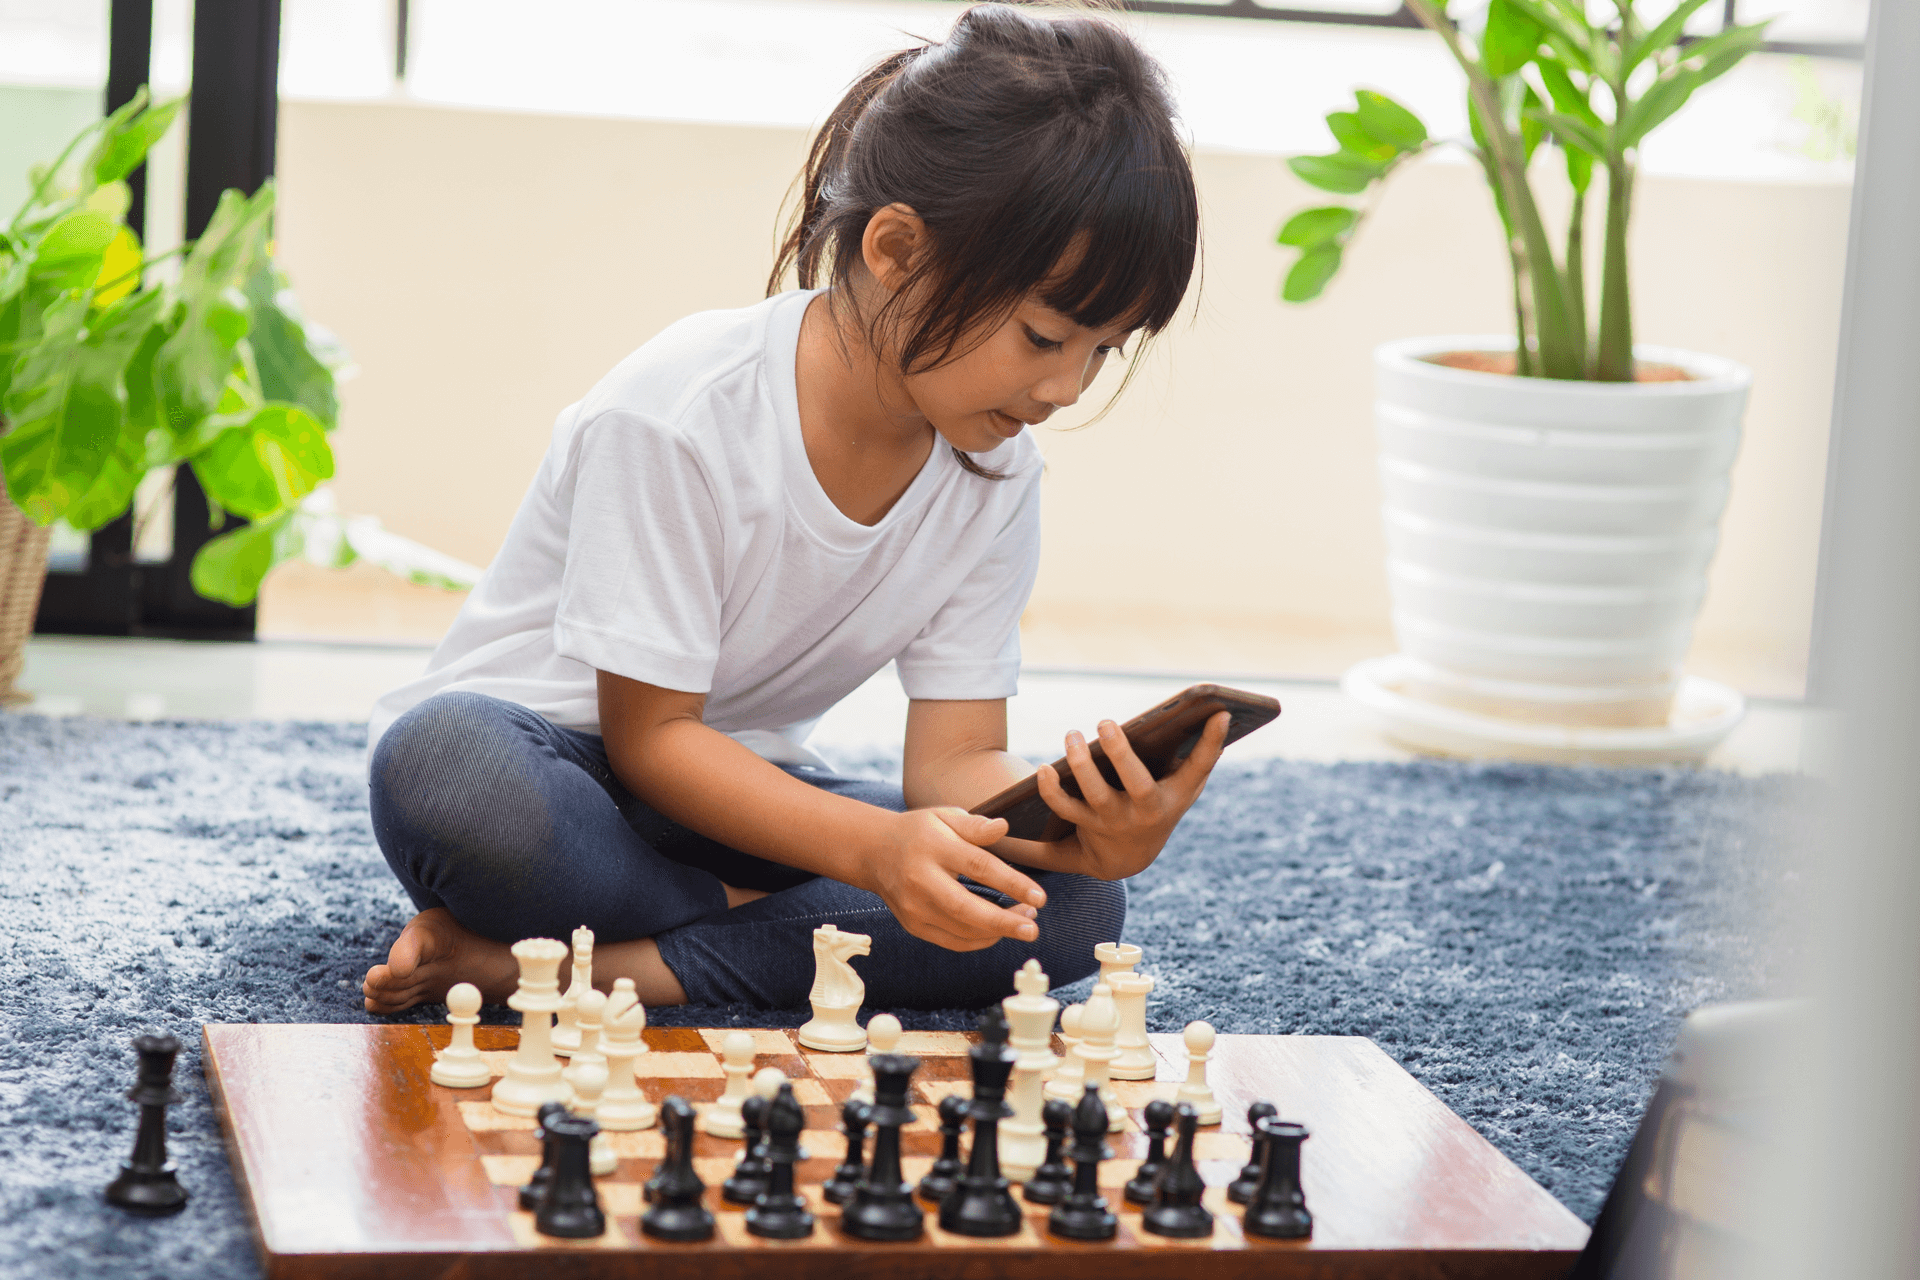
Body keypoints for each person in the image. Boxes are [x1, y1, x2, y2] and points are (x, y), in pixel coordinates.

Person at [359, 3, 1222, 1015]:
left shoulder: (997, 475)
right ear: (896, 250)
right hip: (555, 776)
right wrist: (868, 855)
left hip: (744, 800)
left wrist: (1074, 831)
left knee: (1074, 905)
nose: (1068, 387)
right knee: (447, 770)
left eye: (1102, 349)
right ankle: (741, 924)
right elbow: (651, 739)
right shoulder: (679, 413)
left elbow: (953, 762)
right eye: (1044, 337)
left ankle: (577, 965)